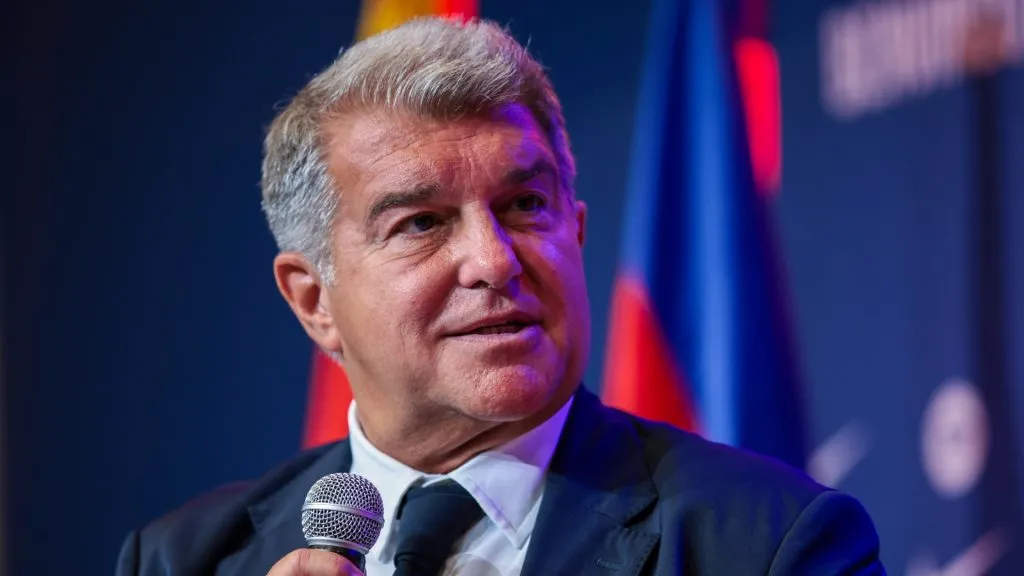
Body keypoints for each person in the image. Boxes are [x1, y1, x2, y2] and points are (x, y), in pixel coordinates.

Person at [116, 16, 884, 576]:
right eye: (421, 223)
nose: (493, 261)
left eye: (524, 206)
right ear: (314, 300)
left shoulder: (768, 545)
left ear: (575, 231)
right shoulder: (186, 559)